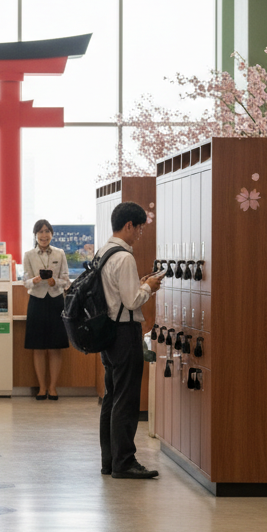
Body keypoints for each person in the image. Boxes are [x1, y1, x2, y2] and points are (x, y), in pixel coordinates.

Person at [96, 201, 165, 479]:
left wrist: (140, 284)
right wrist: (148, 287)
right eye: (139, 228)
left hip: (107, 333)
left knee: (113, 396)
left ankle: (110, 460)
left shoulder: (104, 251)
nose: (139, 234)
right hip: (124, 333)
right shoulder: (124, 257)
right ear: (129, 226)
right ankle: (125, 462)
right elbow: (131, 300)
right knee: (126, 400)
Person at [23, 219, 70, 400]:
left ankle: (53, 387)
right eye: (40, 232)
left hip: (56, 301)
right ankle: (42, 388)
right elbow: (24, 280)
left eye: (47, 231)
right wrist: (33, 280)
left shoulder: (60, 253)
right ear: (35, 235)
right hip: (36, 301)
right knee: (38, 347)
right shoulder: (29, 255)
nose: (44, 235)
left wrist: (55, 281)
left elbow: (66, 279)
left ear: (51, 234)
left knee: (56, 347)